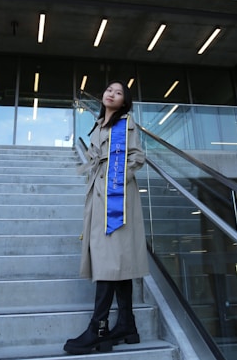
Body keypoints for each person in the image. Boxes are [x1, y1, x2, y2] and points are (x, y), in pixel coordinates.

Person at [64, 80, 149, 355]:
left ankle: (98, 327)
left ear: (125, 101)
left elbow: (136, 157)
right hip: (101, 194)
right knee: (116, 261)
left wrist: (115, 179)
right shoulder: (99, 125)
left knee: (109, 259)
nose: (111, 93)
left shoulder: (125, 123)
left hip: (117, 198)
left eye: (118, 92)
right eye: (109, 90)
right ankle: (127, 324)